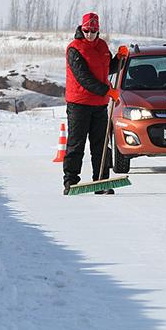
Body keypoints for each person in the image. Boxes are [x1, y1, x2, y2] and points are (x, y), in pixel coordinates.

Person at [63, 12, 128, 195]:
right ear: (81, 29)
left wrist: (119, 60)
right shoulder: (74, 49)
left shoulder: (102, 46)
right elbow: (85, 78)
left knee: (101, 145)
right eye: (87, 30)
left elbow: (108, 69)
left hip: (99, 104)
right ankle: (70, 181)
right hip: (79, 104)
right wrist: (108, 91)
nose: (90, 34)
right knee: (76, 144)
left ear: (98, 30)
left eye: (93, 31)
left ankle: (101, 181)